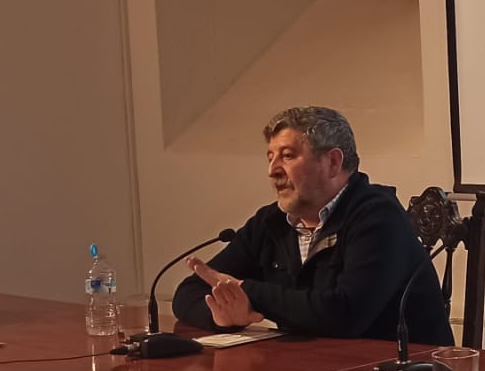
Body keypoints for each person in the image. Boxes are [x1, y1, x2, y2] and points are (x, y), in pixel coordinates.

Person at [171, 106, 454, 344]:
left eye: (288, 156)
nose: (272, 171)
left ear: (332, 162)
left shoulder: (378, 216)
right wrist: (223, 316)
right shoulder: (269, 223)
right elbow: (187, 294)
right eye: (270, 157)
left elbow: (345, 315)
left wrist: (249, 292)